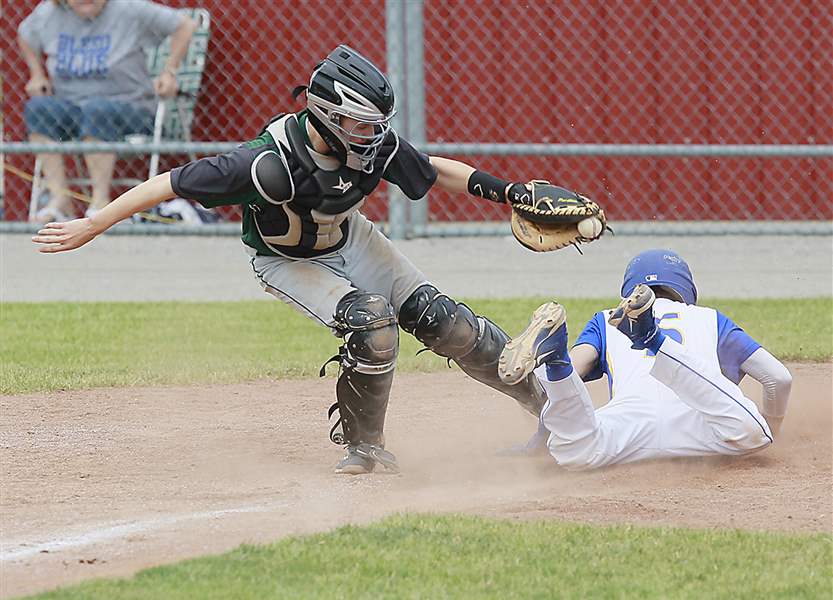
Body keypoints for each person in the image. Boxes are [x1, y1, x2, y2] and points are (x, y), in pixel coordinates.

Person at [33, 45, 550, 475]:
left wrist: (510, 192)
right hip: (286, 259)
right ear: (326, 116)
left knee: (447, 324)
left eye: (375, 125)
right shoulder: (267, 162)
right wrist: (95, 222)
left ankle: (551, 411)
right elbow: (172, 182)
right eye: (358, 123)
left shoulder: (369, 146)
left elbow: (435, 171)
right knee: (372, 325)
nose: (372, 135)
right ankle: (365, 447)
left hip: (351, 239)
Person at [499, 249, 792, 470]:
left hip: (629, 429)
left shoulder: (606, 321)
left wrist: (540, 442)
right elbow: (778, 378)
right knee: (754, 433)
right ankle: (652, 339)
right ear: (686, 288)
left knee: (576, 453)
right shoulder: (709, 318)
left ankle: (554, 360)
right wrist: (773, 429)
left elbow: (571, 380)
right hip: (702, 429)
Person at [19, 0, 197, 222]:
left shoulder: (129, 8)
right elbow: (24, 34)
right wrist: (37, 73)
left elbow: (185, 25)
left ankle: (100, 202)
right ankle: (60, 199)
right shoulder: (49, 12)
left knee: (97, 109)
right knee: (39, 108)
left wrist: (170, 71)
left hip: (131, 107)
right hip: (72, 107)